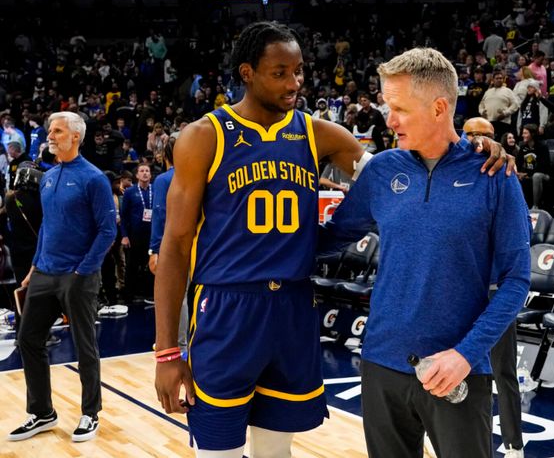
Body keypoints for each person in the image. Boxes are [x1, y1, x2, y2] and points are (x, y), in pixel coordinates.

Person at [153, 22, 509, 458]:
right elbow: (175, 246)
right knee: (217, 451)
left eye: (299, 71)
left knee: (275, 452)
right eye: (280, 73)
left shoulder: (318, 133)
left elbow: (401, 171)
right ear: (247, 73)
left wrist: (475, 150)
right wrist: (167, 351)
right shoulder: (204, 135)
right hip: (227, 307)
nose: (294, 83)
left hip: (293, 306)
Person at [321, 48, 530, 458]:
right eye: (387, 106)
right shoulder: (382, 170)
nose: (389, 119)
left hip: (457, 370)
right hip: (381, 362)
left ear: (438, 108)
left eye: (399, 108)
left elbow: (516, 280)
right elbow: (328, 240)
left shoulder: (495, 174)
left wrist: (466, 355)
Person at [7, 111, 116, 442]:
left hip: (77, 275)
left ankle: (90, 413)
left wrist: (83, 269)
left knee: (85, 346)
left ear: (75, 137)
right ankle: (42, 412)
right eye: (50, 131)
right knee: (28, 339)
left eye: (57, 131)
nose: (50, 136)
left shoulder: (94, 178)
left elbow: (108, 230)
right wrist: (34, 267)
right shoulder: (49, 177)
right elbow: (47, 227)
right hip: (45, 272)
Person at [463, 117, 525, 457]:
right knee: (462, 370)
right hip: (460, 290)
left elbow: (519, 237)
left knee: (504, 371)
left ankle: (514, 443)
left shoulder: (505, 176)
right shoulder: (449, 175)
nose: (479, 141)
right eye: (472, 134)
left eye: (485, 135)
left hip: (495, 290)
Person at [148, 141, 187, 354]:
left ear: (164, 156)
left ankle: (178, 345)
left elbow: (160, 213)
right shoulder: (199, 175)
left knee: (175, 296)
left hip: (172, 245)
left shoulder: (163, 180)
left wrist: (154, 249)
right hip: (200, 244)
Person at [120, 163, 154, 304]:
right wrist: (124, 235)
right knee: (132, 265)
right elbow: (124, 215)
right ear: (137, 175)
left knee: (150, 264)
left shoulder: (155, 190)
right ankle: (129, 295)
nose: (145, 173)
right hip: (135, 234)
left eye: (147, 171)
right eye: (142, 171)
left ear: (150, 174)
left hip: (151, 234)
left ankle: (149, 293)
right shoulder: (130, 192)